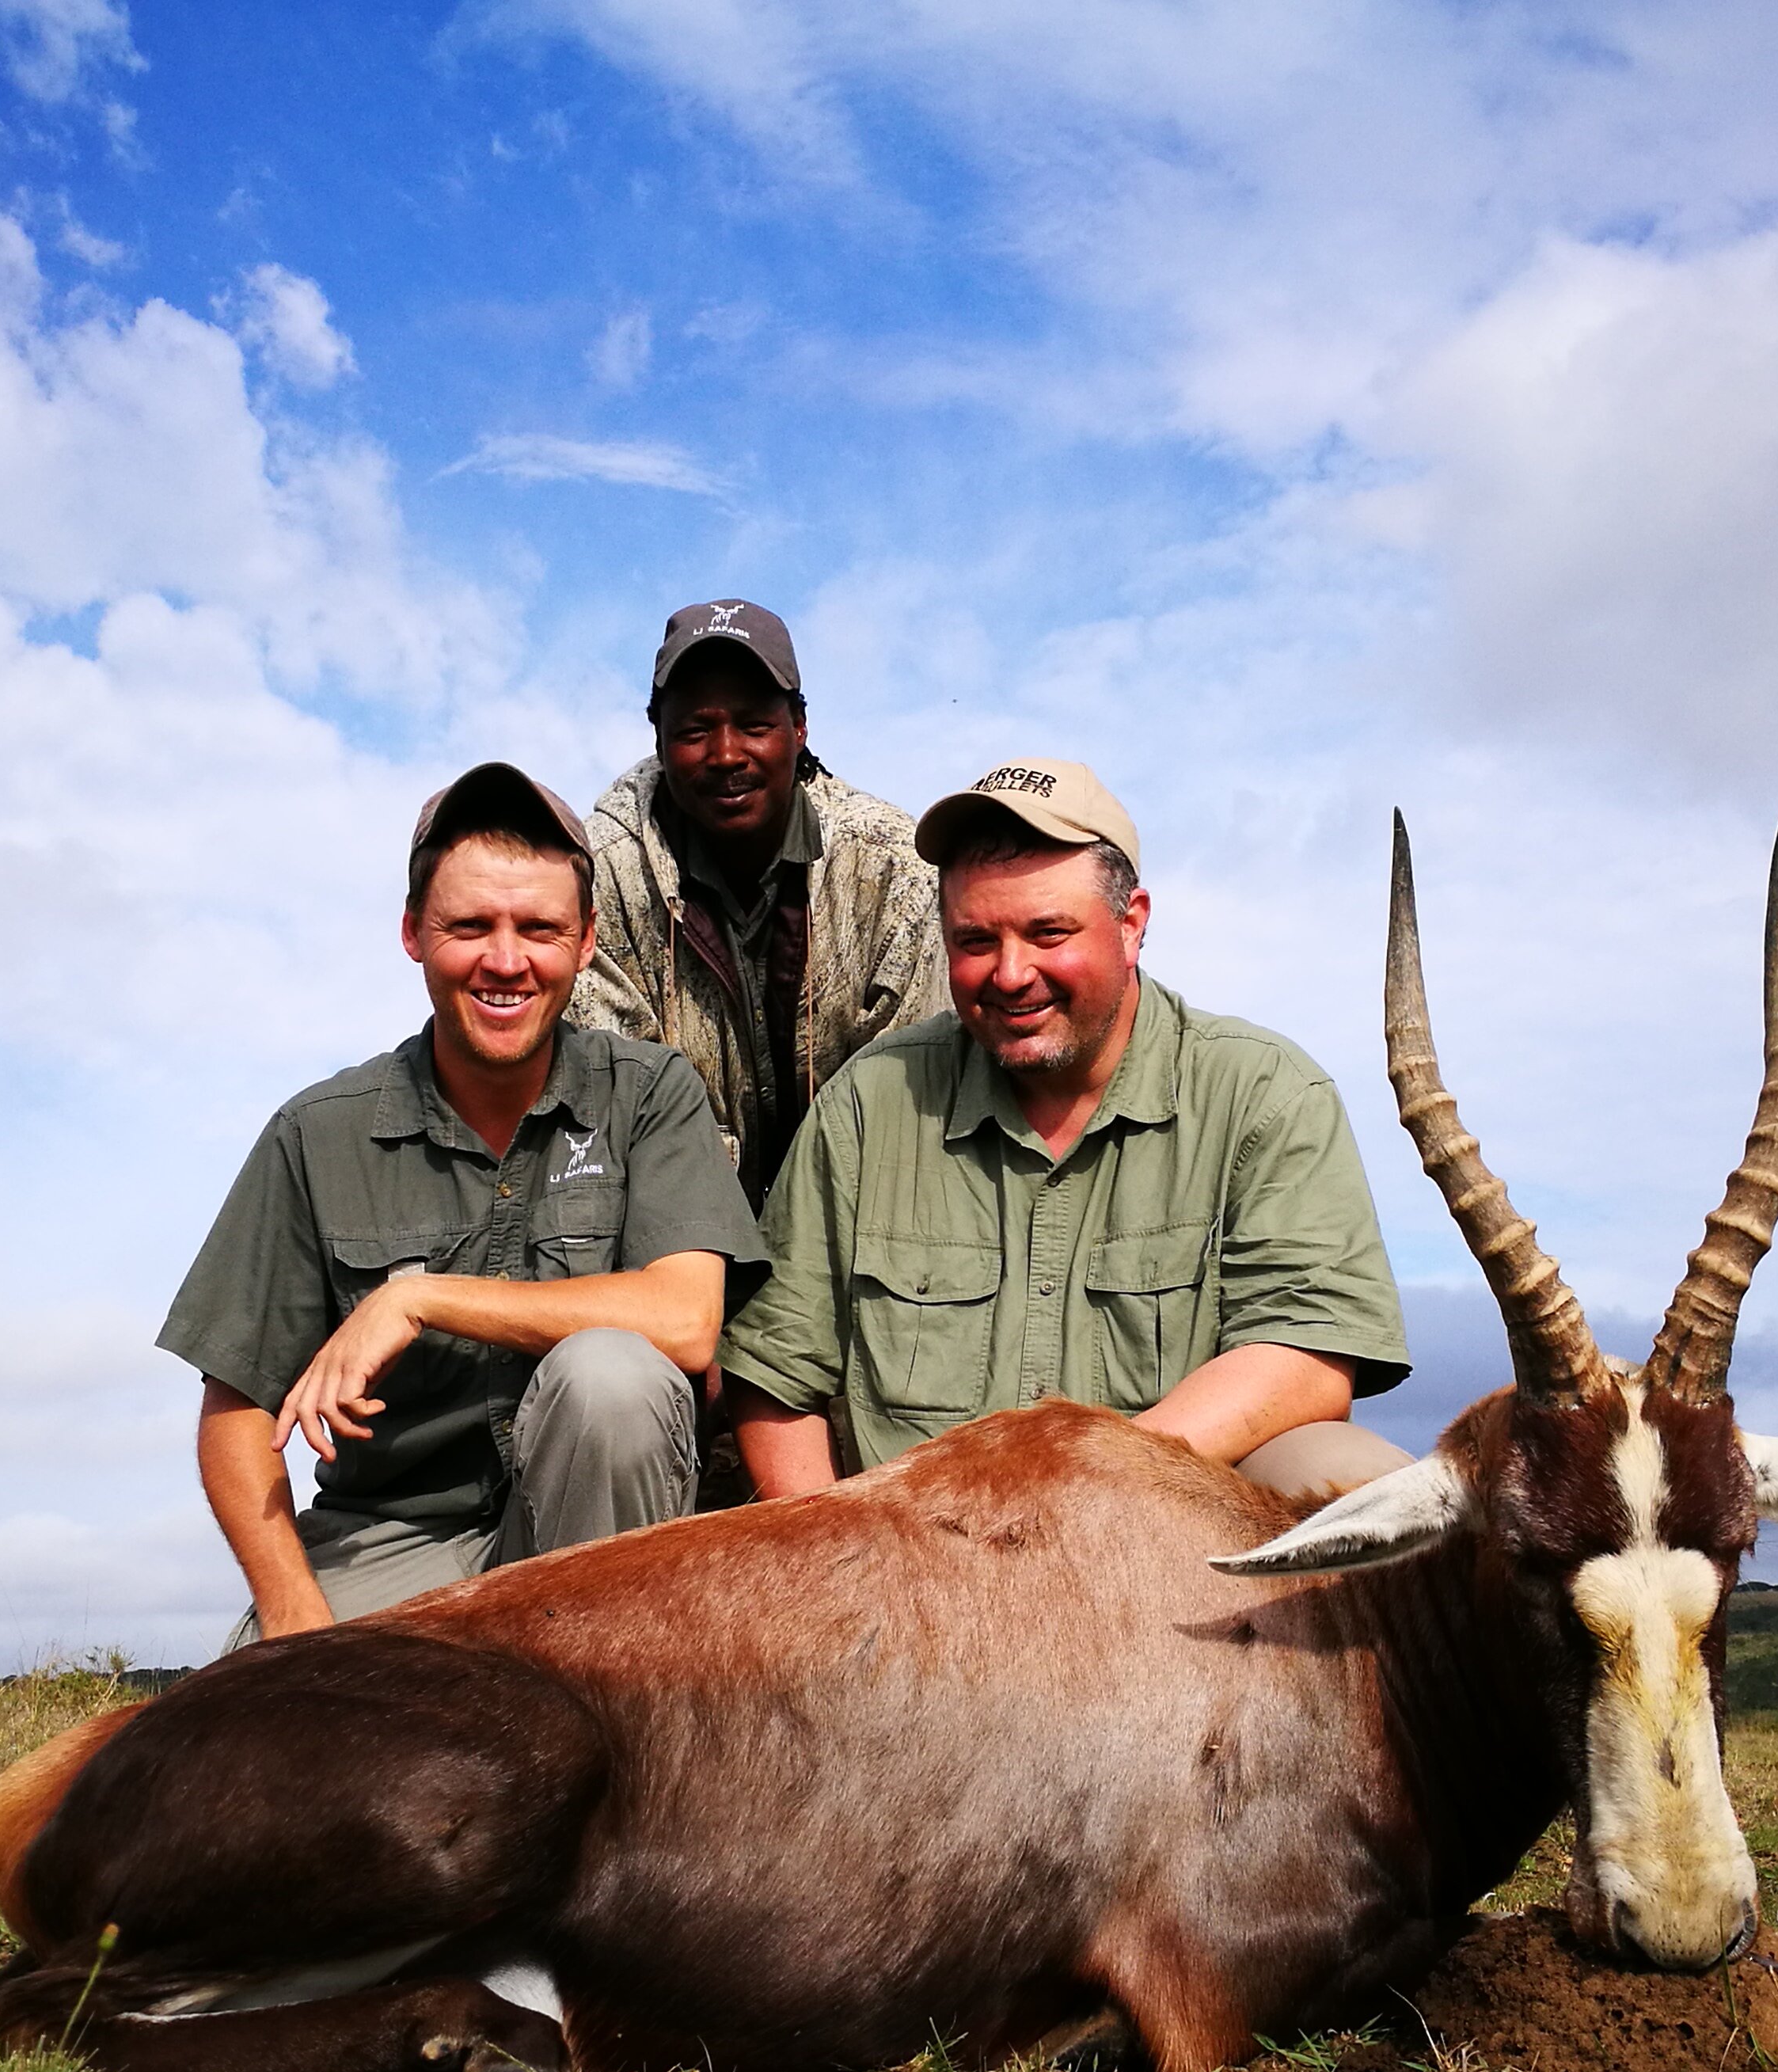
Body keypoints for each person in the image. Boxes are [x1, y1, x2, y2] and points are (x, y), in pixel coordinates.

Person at [159, 762, 768, 1642]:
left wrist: (417, 1296)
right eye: (469, 926)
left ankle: (615, 1716)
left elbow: (684, 1322)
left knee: (611, 1374)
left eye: (539, 929)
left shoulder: (649, 1092)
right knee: (248, 1749)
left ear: (586, 939)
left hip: (602, 1547)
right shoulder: (315, 1132)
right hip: (392, 1536)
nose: (505, 961)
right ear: (412, 932)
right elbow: (236, 1409)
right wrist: (294, 1611)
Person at [720, 757, 1412, 1498]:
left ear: (1132, 924)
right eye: (976, 941)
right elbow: (774, 1375)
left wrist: (1076, 1492)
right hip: (915, 1563)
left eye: (1049, 932)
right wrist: (842, 1562)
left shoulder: (1265, 1093)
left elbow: (1307, 1356)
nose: (1011, 974)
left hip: (1164, 1538)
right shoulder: (869, 1105)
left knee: (1363, 1483)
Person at [570, 599, 944, 1206]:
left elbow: (912, 1101)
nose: (725, 754)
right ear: (659, 739)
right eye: (694, 730)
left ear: (799, 728)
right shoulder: (599, 876)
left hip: (858, 1210)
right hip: (669, 1220)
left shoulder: (893, 866)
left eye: (754, 724)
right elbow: (618, 1104)